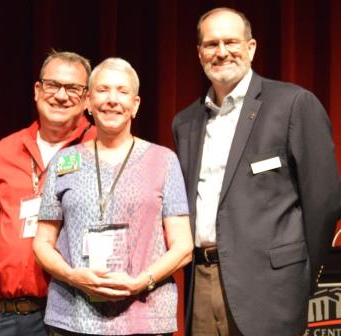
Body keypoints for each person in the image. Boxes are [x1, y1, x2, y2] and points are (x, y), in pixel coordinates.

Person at [172, 7, 341, 336]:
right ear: (199, 53)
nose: (221, 52)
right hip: (203, 283)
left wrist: (300, 274)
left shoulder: (293, 104)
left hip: (272, 288)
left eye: (231, 42)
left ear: (251, 47)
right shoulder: (185, 122)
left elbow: (324, 202)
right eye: (211, 44)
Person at [33, 57, 193, 336]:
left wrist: (141, 281)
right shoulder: (64, 162)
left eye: (122, 91)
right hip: (73, 318)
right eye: (103, 90)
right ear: (88, 102)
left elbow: (183, 246)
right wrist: (73, 276)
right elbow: (43, 243)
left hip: (146, 317)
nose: (112, 99)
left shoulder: (164, 160)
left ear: (136, 105)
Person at [0, 50, 96, 335]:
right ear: (37, 90)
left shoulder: (99, 149)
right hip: (9, 316)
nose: (61, 96)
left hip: (74, 314)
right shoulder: (4, 151)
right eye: (52, 85)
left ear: (87, 100)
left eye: (73, 89)